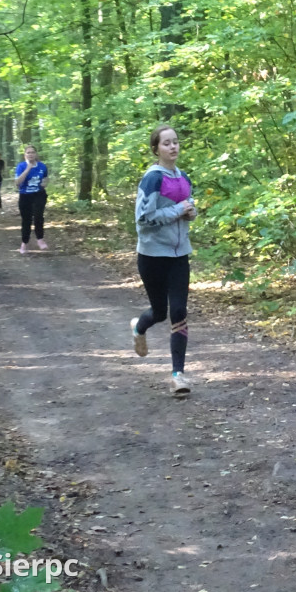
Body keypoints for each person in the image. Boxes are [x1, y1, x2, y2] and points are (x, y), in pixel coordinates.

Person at [130, 125, 197, 394]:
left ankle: (178, 375)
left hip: (179, 255)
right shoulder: (152, 180)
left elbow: (186, 206)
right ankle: (139, 327)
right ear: (156, 148)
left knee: (178, 311)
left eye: (176, 142)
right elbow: (143, 219)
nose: (173, 147)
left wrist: (191, 212)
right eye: (167, 143)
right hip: (152, 256)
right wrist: (178, 210)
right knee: (159, 312)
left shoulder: (184, 177)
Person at [14, 144, 49, 254]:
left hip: (38, 194)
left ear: (36, 154)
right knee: (26, 220)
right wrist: (28, 168)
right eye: (28, 152)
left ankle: (40, 239)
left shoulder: (42, 166)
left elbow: (45, 178)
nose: (30, 154)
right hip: (25, 196)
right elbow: (17, 182)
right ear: (25, 155)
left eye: (32, 152)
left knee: (38, 216)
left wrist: (44, 183)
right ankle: (24, 243)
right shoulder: (21, 166)